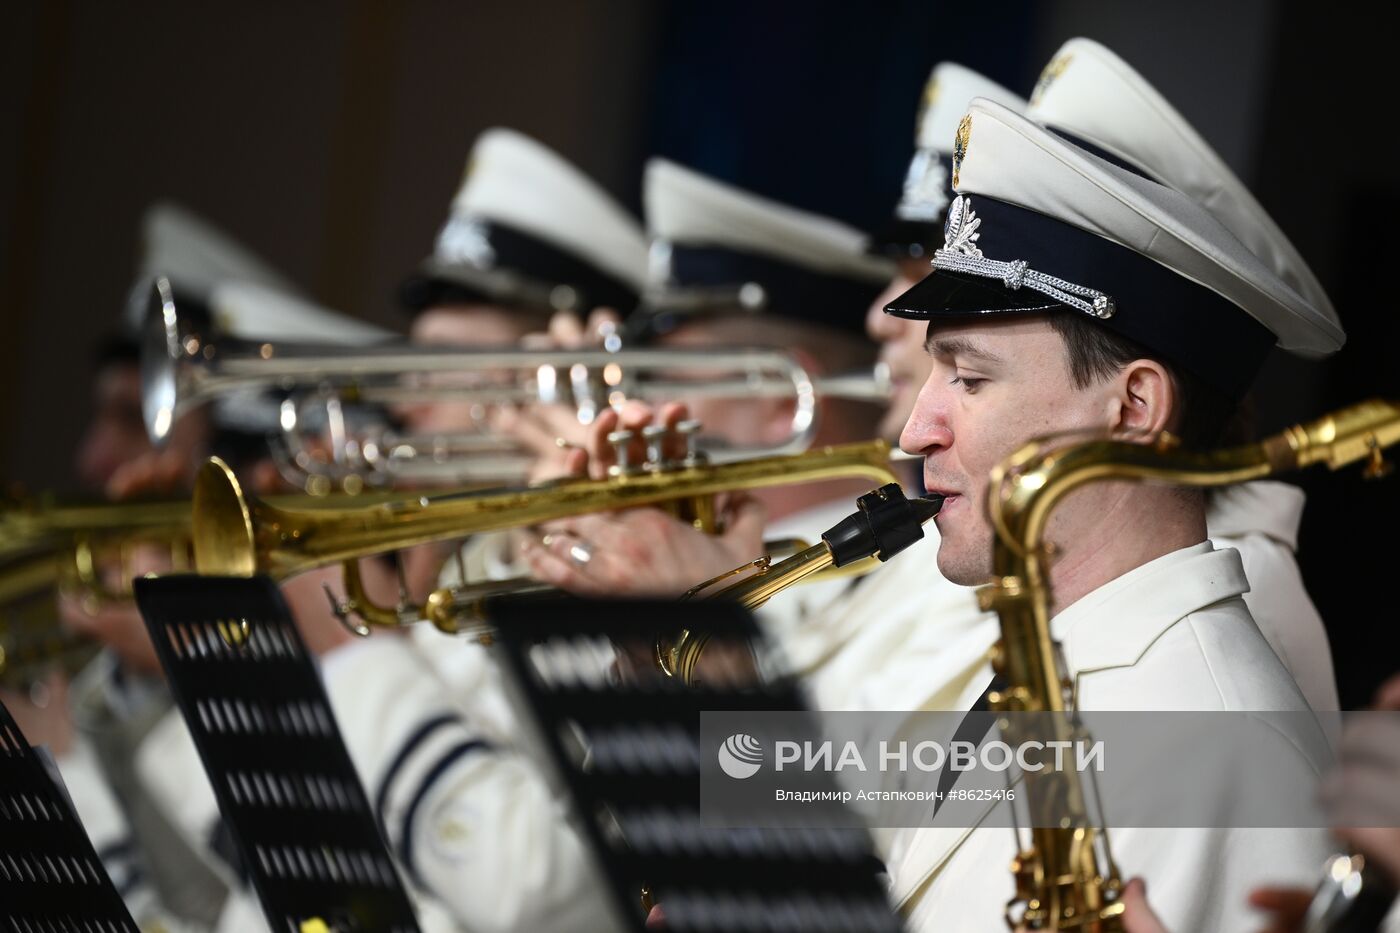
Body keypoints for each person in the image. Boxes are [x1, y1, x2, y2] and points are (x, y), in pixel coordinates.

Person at [881, 97, 1343, 932]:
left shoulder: (1218, 748)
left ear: (1134, 407)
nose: (917, 429)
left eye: (971, 378)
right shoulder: (1065, 658)